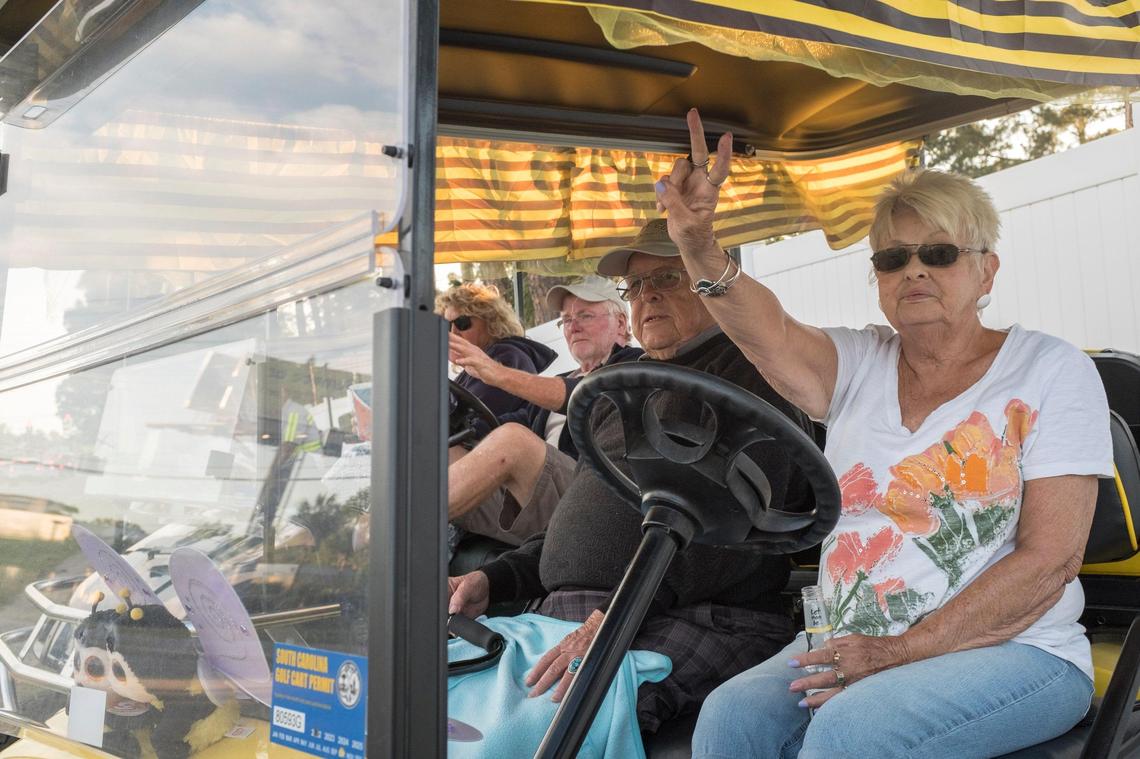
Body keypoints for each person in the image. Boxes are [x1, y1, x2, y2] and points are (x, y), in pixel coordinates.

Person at [656, 110, 1113, 758]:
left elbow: (1050, 560)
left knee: (853, 731)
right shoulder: (862, 362)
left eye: (940, 253)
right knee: (729, 720)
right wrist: (700, 246)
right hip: (849, 638)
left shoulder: (1049, 369)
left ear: (987, 270)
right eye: (894, 258)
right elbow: (772, 334)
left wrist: (898, 651)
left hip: (1016, 648)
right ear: (877, 278)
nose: (914, 270)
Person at [448, 220, 817, 732]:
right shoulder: (623, 392)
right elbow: (581, 526)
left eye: (666, 279)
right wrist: (496, 577)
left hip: (700, 614)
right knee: (448, 696)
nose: (647, 297)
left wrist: (616, 618)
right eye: (636, 286)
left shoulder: (758, 380)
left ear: (714, 283)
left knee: (538, 723)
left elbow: (728, 538)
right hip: (582, 612)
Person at [447, 276, 642, 546]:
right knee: (446, 450)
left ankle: (389, 530)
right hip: (539, 500)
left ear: (621, 323)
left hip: (596, 501)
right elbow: (498, 425)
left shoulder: (635, 366)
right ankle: (390, 536)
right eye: (567, 320)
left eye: (584, 315)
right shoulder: (561, 378)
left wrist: (497, 374)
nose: (574, 327)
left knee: (514, 441)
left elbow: (593, 396)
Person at [436, 282, 557, 420]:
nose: (453, 333)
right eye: (446, 327)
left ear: (491, 322)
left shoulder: (508, 358)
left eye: (462, 323)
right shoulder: (467, 375)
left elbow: (475, 424)